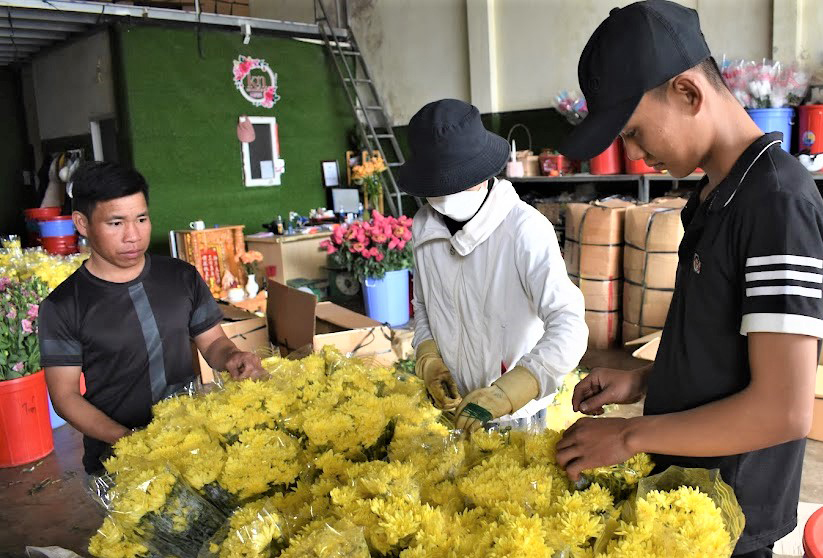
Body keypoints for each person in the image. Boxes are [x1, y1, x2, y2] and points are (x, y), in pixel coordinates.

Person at [555, 2, 823, 556]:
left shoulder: (776, 202)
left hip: (730, 515)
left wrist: (628, 437)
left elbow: (784, 409)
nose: (632, 151)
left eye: (632, 130)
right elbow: (721, 346)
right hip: (686, 492)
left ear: (687, 93)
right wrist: (647, 379)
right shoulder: (713, 196)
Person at [39, 162, 267, 475]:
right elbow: (65, 396)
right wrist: (129, 441)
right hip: (118, 461)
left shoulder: (180, 277)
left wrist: (232, 357)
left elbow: (213, 341)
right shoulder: (63, 305)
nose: (132, 235)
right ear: (82, 223)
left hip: (191, 442)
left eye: (141, 219)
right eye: (116, 223)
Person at [397, 99, 588, 433]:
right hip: (454, 407)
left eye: (460, 180)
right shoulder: (424, 226)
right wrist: (428, 355)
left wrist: (516, 387)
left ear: (483, 172)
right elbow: (425, 306)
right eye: (439, 185)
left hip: (515, 417)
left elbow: (569, 324)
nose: (448, 193)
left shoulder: (523, 230)